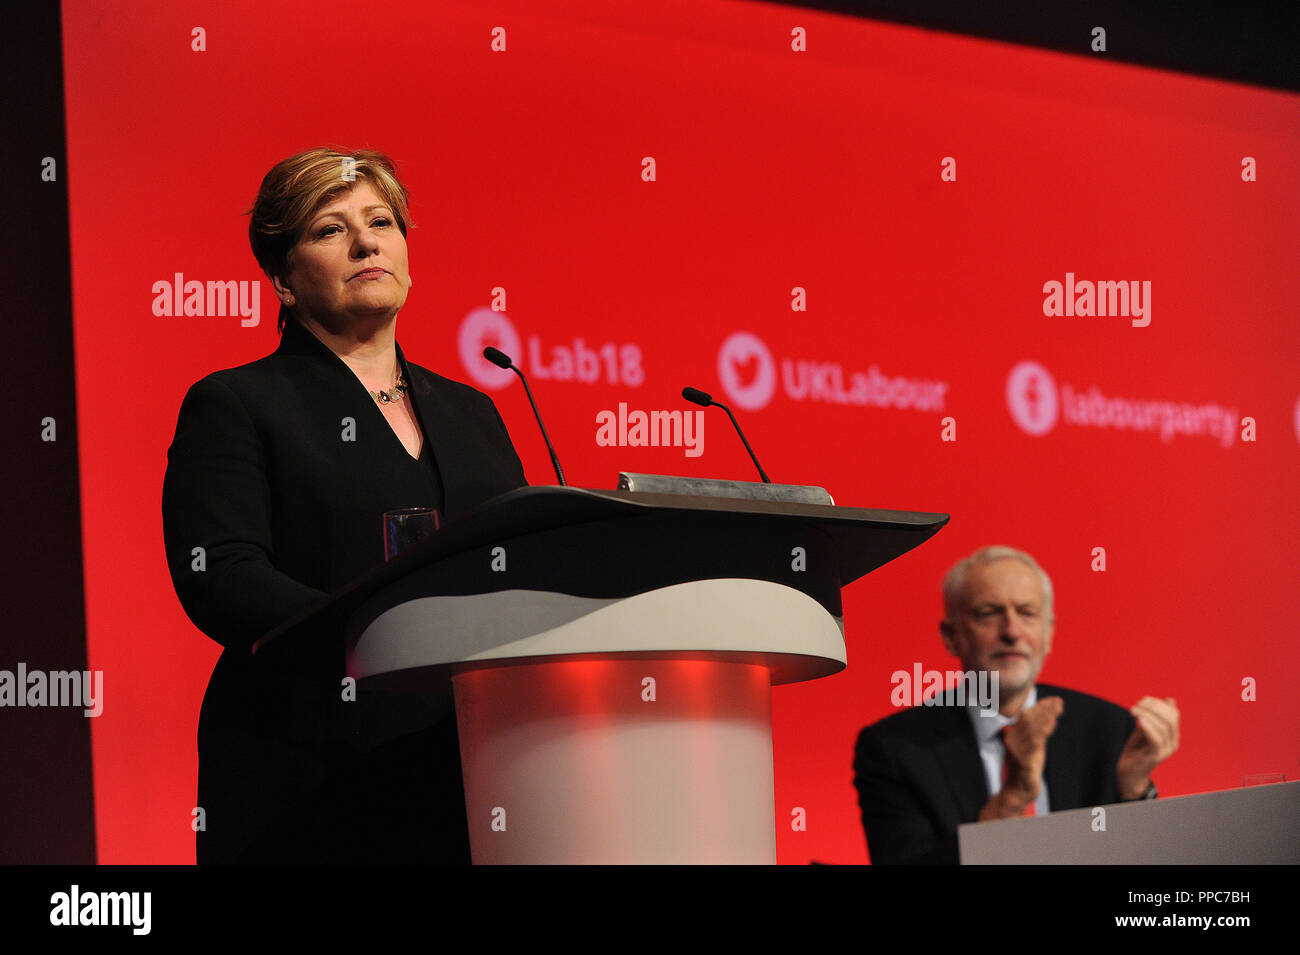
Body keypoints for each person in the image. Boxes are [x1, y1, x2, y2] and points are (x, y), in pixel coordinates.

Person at [162, 146, 527, 863]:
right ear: (282, 280)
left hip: (470, 768)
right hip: (308, 768)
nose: (365, 241)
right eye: (329, 230)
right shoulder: (237, 403)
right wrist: (380, 637)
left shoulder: (473, 411)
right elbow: (223, 575)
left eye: (381, 221)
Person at [852, 545, 1180, 864]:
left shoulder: (1108, 729)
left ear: (1049, 632)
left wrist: (1133, 790)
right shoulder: (896, 749)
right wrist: (1013, 797)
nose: (1011, 631)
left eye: (1026, 613)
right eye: (989, 614)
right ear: (952, 636)